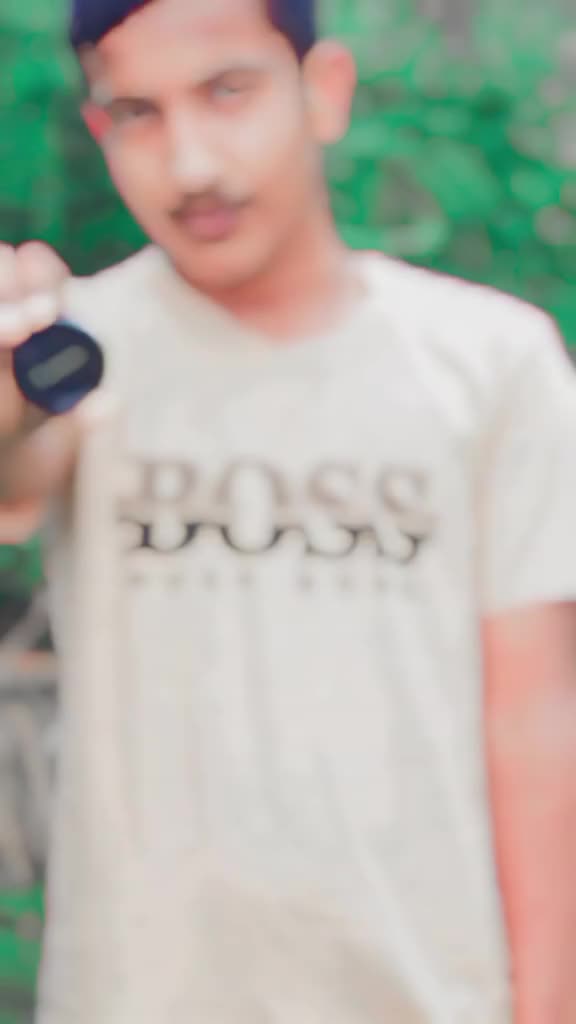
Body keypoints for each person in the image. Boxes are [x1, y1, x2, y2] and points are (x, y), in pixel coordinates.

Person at [0, 0, 575, 1021]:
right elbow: (17, 470)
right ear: (97, 128)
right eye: (137, 112)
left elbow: (534, 721)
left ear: (325, 90)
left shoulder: (493, 362)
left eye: (228, 92)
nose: (190, 165)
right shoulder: (69, 356)